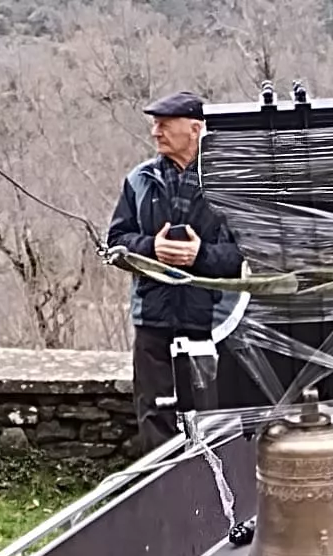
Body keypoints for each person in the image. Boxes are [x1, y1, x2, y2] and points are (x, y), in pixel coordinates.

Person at [106, 92, 245, 452]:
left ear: (195, 129)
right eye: (154, 124)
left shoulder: (229, 183)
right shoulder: (139, 180)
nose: (155, 132)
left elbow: (245, 257)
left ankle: (215, 494)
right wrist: (153, 248)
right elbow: (116, 242)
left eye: (164, 124)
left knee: (213, 411)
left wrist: (200, 255)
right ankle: (164, 495)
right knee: (154, 412)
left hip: (212, 321)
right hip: (153, 318)